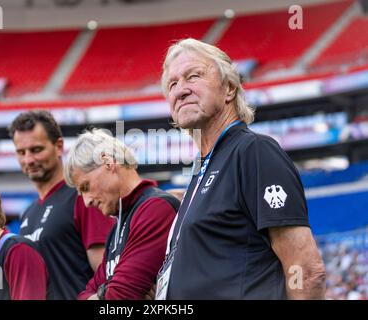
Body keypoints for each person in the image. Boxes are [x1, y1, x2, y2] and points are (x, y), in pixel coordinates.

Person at [157, 38, 326, 300]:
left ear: (229, 89)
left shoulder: (254, 151)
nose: (180, 90)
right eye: (173, 83)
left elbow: (306, 270)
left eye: (193, 76)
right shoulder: (203, 168)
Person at [9, 110, 114, 300]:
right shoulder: (28, 213)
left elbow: (109, 276)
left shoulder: (84, 198)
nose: (29, 160)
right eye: (21, 152)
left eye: (36, 150)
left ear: (58, 146)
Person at [64, 129, 180, 300]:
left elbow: (121, 296)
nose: (86, 201)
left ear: (108, 162)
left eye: (85, 187)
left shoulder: (156, 208)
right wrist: (107, 291)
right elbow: (84, 295)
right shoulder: (117, 226)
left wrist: (104, 292)